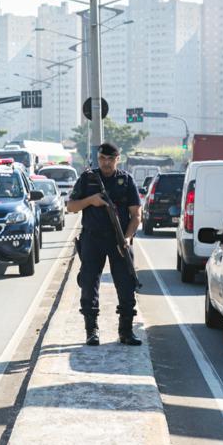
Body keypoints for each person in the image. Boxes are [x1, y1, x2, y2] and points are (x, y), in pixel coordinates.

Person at [67, 143, 142, 347]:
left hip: (119, 240)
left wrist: (126, 239)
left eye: (110, 159)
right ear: (98, 158)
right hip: (93, 238)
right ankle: (91, 331)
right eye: (102, 159)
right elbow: (71, 206)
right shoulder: (88, 179)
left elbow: (136, 215)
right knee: (89, 285)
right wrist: (91, 200)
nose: (106, 163)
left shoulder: (126, 180)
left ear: (118, 158)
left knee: (126, 285)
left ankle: (126, 331)